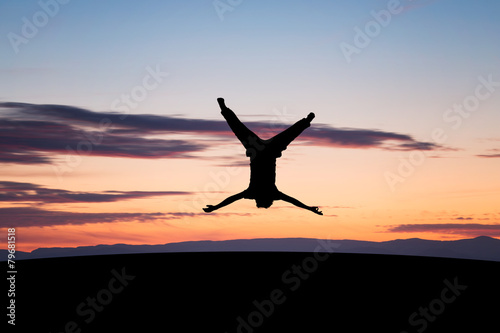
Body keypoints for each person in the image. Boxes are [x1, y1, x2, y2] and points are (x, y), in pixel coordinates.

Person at [203, 98, 323, 215]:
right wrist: (215, 207)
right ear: (257, 200)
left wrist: (309, 208)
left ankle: (306, 121)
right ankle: (224, 109)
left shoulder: (272, 194)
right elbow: (233, 198)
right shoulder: (253, 193)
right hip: (258, 151)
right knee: (239, 129)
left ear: (270, 201)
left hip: (268, 152)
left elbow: (293, 201)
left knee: (288, 135)